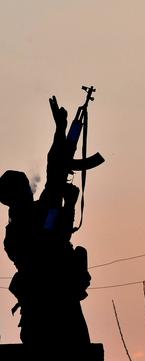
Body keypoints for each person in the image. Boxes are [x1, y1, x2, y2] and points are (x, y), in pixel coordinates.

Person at [0, 96, 91, 345]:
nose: (29, 191)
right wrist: (60, 132)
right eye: (23, 189)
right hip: (50, 304)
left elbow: (55, 171)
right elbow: (51, 239)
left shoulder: (22, 224)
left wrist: (61, 131)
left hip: (55, 302)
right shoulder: (22, 227)